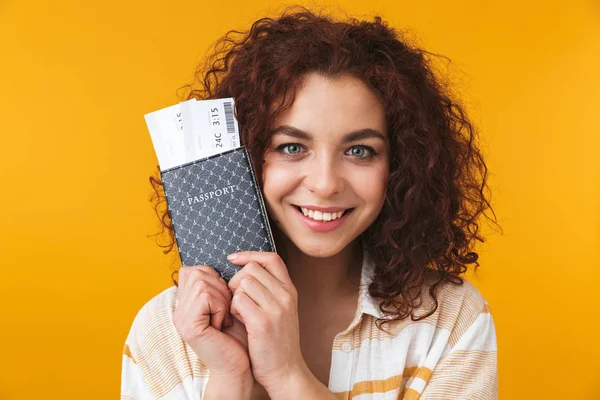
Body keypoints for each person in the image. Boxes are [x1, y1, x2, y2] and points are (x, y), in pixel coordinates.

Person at [121, 6, 499, 400]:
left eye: (359, 150)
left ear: (402, 165)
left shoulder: (450, 319)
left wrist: (288, 376)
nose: (324, 184)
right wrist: (230, 379)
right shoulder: (166, 331)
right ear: (248, 157)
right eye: (291, 147)